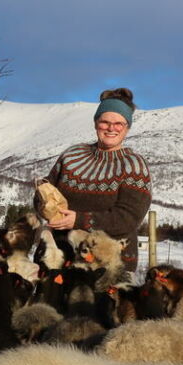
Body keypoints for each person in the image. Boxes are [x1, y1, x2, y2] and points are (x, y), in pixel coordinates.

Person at [41, 87, 151, 272]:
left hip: (108, 264)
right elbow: (46, 190)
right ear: (95, 123)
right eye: (105, 122)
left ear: (127, 128)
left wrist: (79, 220)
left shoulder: (133, 165)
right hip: (60, 257)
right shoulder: (72, 156)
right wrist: (43, 200)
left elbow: (128, 219)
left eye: (119, 124)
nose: (111, 128)